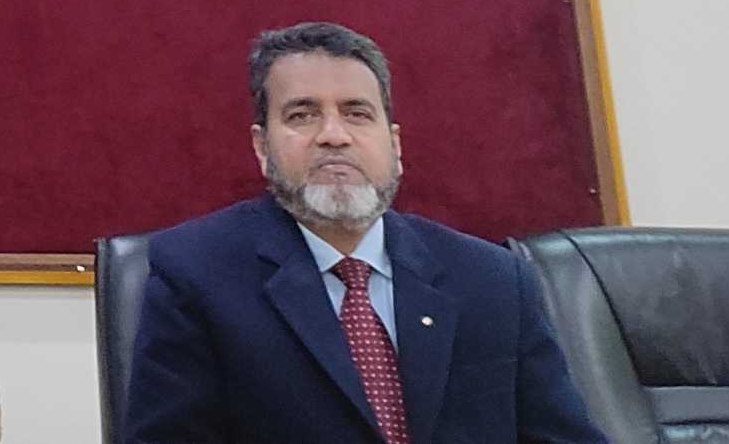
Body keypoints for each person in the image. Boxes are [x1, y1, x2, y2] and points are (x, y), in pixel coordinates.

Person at [121, 22, 604, 444]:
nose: (334, 135)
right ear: (262, 147)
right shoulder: (195, 275)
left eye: (356, 113)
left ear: (394, 144)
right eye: (302, 115)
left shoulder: (493, 278)